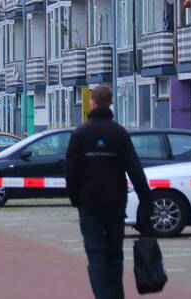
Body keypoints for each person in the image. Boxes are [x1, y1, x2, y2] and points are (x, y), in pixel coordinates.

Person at [65, 84, 153, 299]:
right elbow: (134, 168)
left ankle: (103, 295)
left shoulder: (80, 133)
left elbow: (71, 171)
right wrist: (146, 200)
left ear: (92, 103)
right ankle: (115, 295)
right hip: (115, 202)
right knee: (115, 252)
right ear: (111, 102)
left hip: (89, 203)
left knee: (95, 253)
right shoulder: (119, 133)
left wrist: (76, 199)